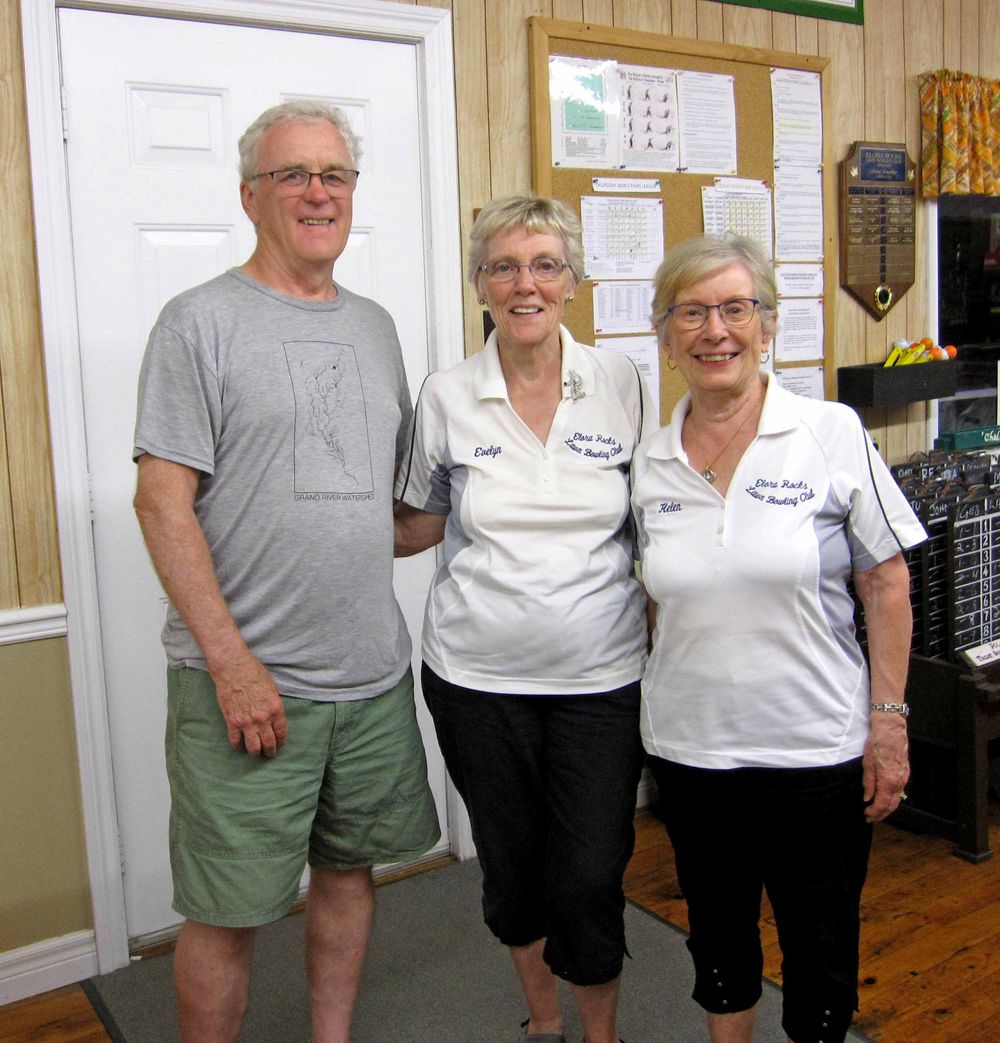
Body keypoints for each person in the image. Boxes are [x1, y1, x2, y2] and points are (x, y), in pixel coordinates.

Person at [132, 99, 439, 1043]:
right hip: (249, 683)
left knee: (350, 874)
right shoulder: (198, 323)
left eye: (334, 175)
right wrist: (231, 664)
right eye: (293, 175)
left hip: (371, 674)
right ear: (249, 196)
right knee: (228, 909)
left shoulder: (378, 327)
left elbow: (375, 513)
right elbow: (161, 500)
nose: (317, 192)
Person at [631, 234, 926, 1043]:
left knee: (820, 946)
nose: (715, 330)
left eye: (735, 309)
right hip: (692, 751)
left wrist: (889, 718)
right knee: (719, 939)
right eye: (691, 312)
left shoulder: (829, 431)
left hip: (814, 749)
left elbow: (886, 579)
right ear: (665, 336)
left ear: (768, 326)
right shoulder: (647, 460)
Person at [394, 194, 653, 1043]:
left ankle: (601, 1033)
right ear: (480, 284)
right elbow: (421, 519)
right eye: (503, 265)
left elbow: (654, 519)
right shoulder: (447, 395)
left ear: (572, 281)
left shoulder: (621, 382)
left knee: (587, 873)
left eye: (544, 264)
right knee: (512, 870)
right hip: (475, 681)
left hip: (600, 679)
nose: (525, 283)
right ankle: (545, 1025)